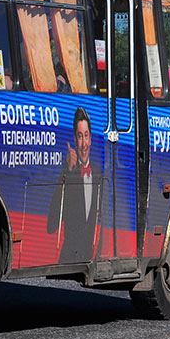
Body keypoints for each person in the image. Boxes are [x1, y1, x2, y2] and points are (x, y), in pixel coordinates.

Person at [46, 106, 102, 264]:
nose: (84, 143)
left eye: (86, 136)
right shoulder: (68, 172)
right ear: (74, 140)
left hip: (91, 257)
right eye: (79, 136)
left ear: (90, 138)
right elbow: (51, 225)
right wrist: (68, 173)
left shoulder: (98, 173)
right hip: (68, 257)